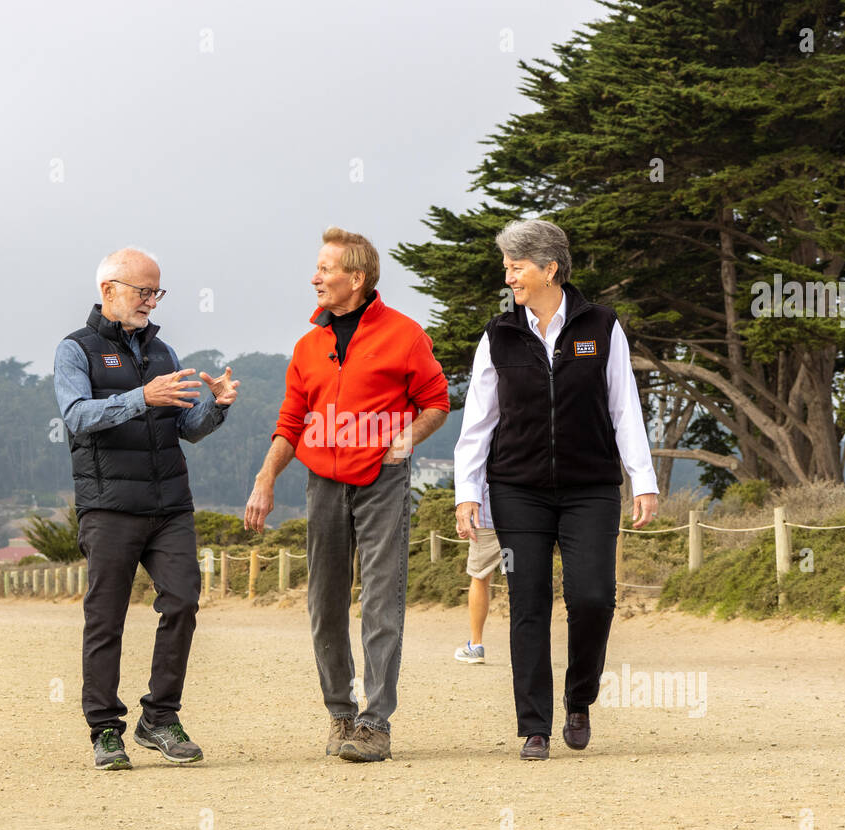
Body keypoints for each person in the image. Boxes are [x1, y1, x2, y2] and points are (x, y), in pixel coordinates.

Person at [454, 219, 659, 761]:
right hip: (517, 489)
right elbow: (478, 420)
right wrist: (467, 492)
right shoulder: (499, 334)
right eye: (506, 265)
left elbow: (624, 407)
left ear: (550, 268)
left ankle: (579, 698)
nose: (508, 275)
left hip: (590, 486)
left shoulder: (602, 326)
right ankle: (535, 725)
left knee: (593, 597)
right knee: (528, 602)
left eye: (516, 266)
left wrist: (644, 479)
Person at [244, 227, 449, 762]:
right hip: (323, 482)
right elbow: (291, 420)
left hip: (383, 481)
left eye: (326, 269)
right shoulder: (308, 346)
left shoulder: (405, 335)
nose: (315, 277)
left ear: (356, 279)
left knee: (382, 599)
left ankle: (375, 723)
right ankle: (340, 714)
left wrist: (406, 438)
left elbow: (436, 399)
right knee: (324, 600)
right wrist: (266, 479)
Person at [54, 246, 238, 771]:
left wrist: (217, 408)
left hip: (170, 506)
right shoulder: (74, 351)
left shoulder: (165, 353)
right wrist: (142, 397)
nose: (152, 302)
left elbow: (187, 428)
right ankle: (104, 730)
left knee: (182, 602)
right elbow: (77, 417)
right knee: (105, 619)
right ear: (109, 290)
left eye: (157, 292)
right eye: (143, 291)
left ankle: (159, 717)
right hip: (108, 506)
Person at [453, 487, 500, 664]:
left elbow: (472, 472)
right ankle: (521, 644)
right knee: (514, 575)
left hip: (485, 521)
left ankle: (476, 644)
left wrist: (465, 517)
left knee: (480, 578)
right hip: (517, 521)